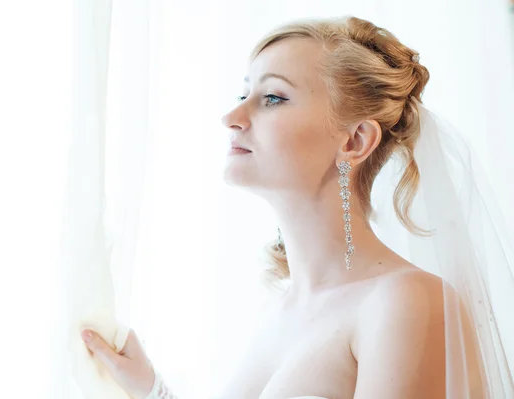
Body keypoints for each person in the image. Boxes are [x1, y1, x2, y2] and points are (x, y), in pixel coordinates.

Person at [80, 16, 514, 399]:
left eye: (272, 98)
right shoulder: (280, 309)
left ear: (354, 141)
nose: (232, 115)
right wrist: (152, 389)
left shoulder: (408, 303)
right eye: (244, 92)